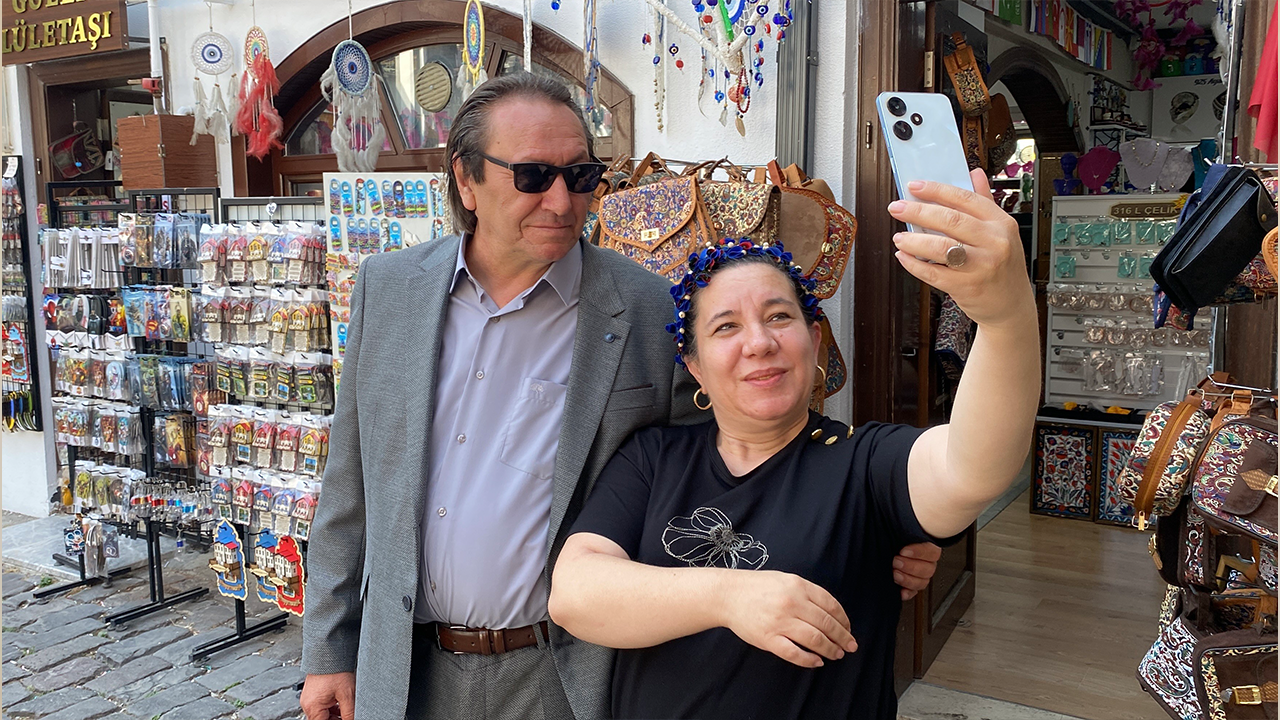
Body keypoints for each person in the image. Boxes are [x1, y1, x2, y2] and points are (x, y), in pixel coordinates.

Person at [299, 72, 940, 720]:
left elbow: (734, 454)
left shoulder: (646, 309)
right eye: (533, 176)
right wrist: (329, 648)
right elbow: (349, 484)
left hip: (564, 675)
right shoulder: (391, 288)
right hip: (405, 669)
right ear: (467, 179)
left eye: (580, 176)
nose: (561, 201)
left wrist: (869, 518)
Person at [548, 170, 1040, 720]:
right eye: (726, 327)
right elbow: (575, 594)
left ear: (814, 339)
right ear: (695, 367)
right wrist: (731, 597)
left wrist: (1004, 315)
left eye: (779, 316)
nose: (760, 342)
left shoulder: (863, 464)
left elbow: (973, 467)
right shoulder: (653, 458)